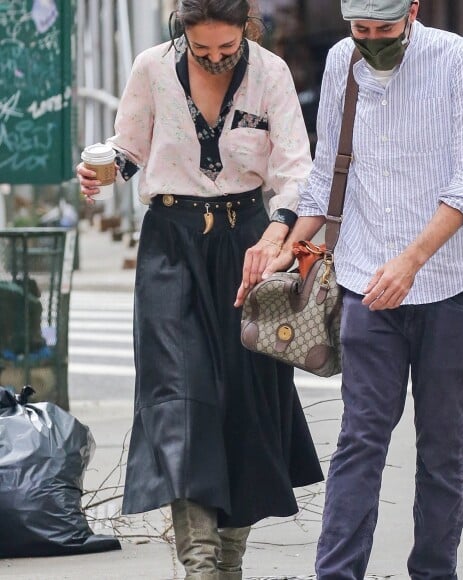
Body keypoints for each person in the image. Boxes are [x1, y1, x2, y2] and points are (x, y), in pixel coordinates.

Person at [241, 0, 463, 578]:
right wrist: (283, 241)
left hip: (453, 285)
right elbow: (330, 170)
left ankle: (434, 571)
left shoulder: (458, 59)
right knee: (360, 440)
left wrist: (412, 260)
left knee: (442, 447)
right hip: (362, 282)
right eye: (362, 29)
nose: (373, 39)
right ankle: (337, 573)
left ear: (413, 10)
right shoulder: (341, 61)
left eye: (385, 29)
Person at [76, 1, 323, 579]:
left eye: (226, 49)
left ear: (246, 31)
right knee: (177, 397)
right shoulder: (153, 67)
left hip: (251, 245)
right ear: (181, 31)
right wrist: (103, 169)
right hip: (171, 242)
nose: (214, 59)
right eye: (201, 48)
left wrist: (280, 235)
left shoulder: (270, 73)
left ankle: (229, 558)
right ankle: (202, 563)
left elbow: (295, 168)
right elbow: (129, 149)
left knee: (249, 400)